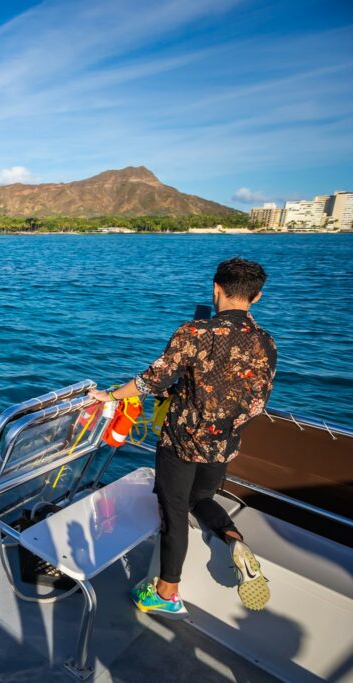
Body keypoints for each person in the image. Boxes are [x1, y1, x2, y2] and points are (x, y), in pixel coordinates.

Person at [89, 257, 276, 616]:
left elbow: (150, 381)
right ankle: (232, 539)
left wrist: (110, 396)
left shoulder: (195, 333)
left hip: (180, 441)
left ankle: (166, 591)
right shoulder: (266, 342)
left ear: (216, 289)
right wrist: (225, 429)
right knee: (200, 498)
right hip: (224, 444)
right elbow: (257, 402)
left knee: (174, 511)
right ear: (257, 297)